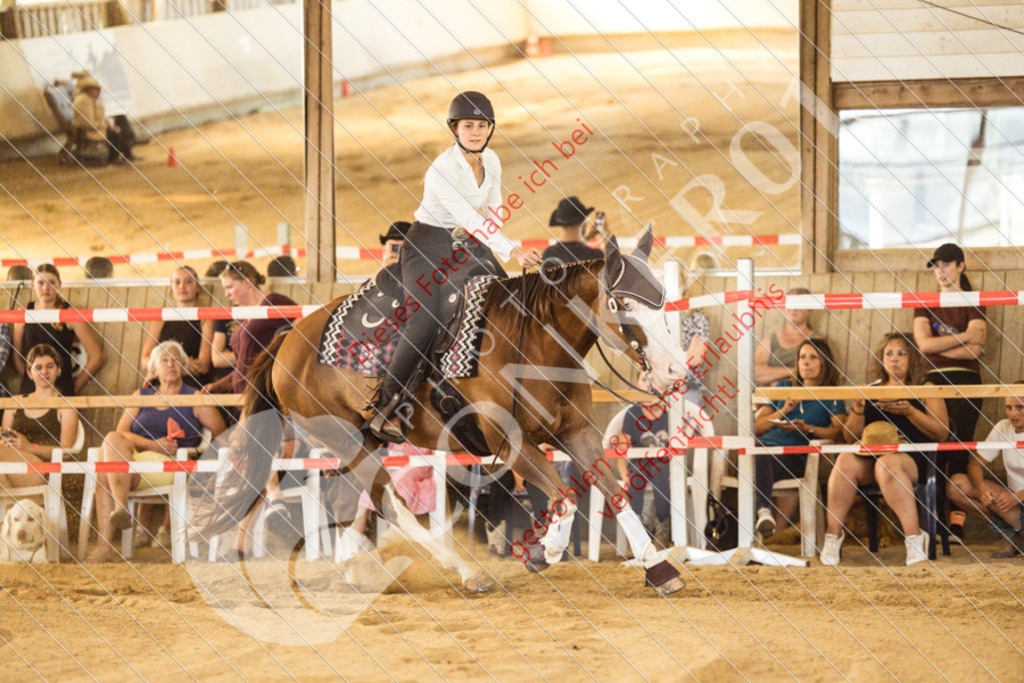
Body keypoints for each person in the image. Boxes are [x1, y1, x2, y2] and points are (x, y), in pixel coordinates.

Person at [368, 91, 543, 442]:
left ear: (489, 129)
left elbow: (491, 210)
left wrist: (503, 250)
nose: (476, 132)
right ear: (455, 129)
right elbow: (468, 218)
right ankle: (387, 408)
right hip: (427, 246)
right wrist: (513, 250)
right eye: (468, 126)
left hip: (465, 242)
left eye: (482, 126)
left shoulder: (491, 160)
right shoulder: (442, 170)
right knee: (423, 319)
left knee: (503, 294)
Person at [822, 332, 949, 566]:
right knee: (844, 460)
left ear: (913, 358)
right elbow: (849, 436)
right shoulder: (872, 389)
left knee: (887, 464)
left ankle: (914, 537)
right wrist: (859, 407)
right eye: (889, 354)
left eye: (901, 354)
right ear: (881, 359)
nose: (894, 359)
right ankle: (833, 536)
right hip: (871, 455)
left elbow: (942, 432)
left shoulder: (925, 387)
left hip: (912, 458)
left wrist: (910, 412)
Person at [90, 341, 226, 561]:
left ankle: (104, 544)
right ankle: (119, 511)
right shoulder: (142, 395)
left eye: (175, 360)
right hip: (135, 460)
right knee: (112, 440)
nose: (171, 364)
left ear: (182, 366)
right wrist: (151, 444)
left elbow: (222, 434)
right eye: (164, 360)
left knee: (105, 474)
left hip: (171, 463)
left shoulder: (194, 398)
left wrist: (204, 465)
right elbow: (121, 431)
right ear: (154, 369)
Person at [912, 243, 987, 543]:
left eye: (946, 264)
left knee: (959, 449)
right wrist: (964, 338)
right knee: (937, 448)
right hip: (935, 383)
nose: (940, 271)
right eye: (937, 266)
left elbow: (977, 349)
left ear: (961, 266)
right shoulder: (925, 301)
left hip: (968, 382)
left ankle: (956, 523)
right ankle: (938, 520)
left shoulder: (975, 299)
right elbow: (924, 346)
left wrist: (950, 345)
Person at [753, 339, 846, 538]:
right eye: (802, 357)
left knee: (755, 456)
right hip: (765, 447)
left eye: (813, 358)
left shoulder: (831, 394)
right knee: (756, 450)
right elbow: (757, 427)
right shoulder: (784, 387)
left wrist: (808, 429)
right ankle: (763, 512)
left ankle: (761, 512)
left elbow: (839, 432)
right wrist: (783, 410)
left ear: (824, 363)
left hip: (794, 457)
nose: (806, 362)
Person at [946, 388, 1024, 558]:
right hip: (1013, 505)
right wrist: (982, 490)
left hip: (1017, 499)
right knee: (957, 485)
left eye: (1020, 407)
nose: (1013, 414)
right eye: (1009, 407)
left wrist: (1017, 496)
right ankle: (1013, 535)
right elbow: (975, 465)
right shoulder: (1004, 427)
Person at [203, 261, 296, 396]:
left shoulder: (275, 302)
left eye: (229, 287)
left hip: (266, 394)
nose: (226, 294)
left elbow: (304, 331)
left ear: (247, 283)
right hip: (245, 395)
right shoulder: (244, 314)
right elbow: (244, 362)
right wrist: (219, 385)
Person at [13, 264, 105, 396]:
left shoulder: (69, 314)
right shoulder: (23, 312)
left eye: (51, 282)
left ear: (59, 284)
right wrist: (31, 378)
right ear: (33, 285)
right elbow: (16, 355)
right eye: (41, 283)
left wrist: (74, 387)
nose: (46, 288)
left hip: (61, 386)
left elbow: (97, 356)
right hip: (31, 387)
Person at [0, 344, 80, 492]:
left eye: (50, 366)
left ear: (59, 369)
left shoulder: (66, 406)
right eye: (38, 367)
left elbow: (67, 452)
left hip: (43, 470)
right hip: (11, 467)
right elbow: (5, 439)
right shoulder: (15, 402)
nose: (44, 372)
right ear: (30, 373)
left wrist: (30, 447)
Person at [140, 266, 213, 388]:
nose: (182, 286)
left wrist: (160, 368)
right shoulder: (160, 318)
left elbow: (203, 366)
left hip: (191, 382)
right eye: (177, 282)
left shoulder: (206, 317)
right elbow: (145, 360)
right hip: (161, 381)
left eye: (188, 281)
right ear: (171, 288)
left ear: (198, 287)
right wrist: (184, 363)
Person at [754, 287, 822, 386]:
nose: (793, 309)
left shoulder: (817, 340)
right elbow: (754, 374)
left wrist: (772, 375)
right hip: (771, 400)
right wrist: (793, 371)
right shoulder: (769, 341)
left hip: (802, 398)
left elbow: (817, 375)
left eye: (799, 305)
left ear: (810, 310)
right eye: (790, 304)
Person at [70, 75, 134, 165]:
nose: (99, 92)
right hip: (90, 130)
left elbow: (98, 115)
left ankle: (127, 153)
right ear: (90, 89)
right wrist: (105, 124)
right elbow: (89, 123)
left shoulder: (91, 99)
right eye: (97, 89)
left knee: (120, 120)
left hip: (96, 126)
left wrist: (106, 121)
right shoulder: (84, 101)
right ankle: (114, 158)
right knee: (115, 133)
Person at [540, 196, 603, 270]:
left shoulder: (548, 255)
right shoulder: (595, 256)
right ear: (582, 222)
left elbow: (570, 252)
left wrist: (588, 238)